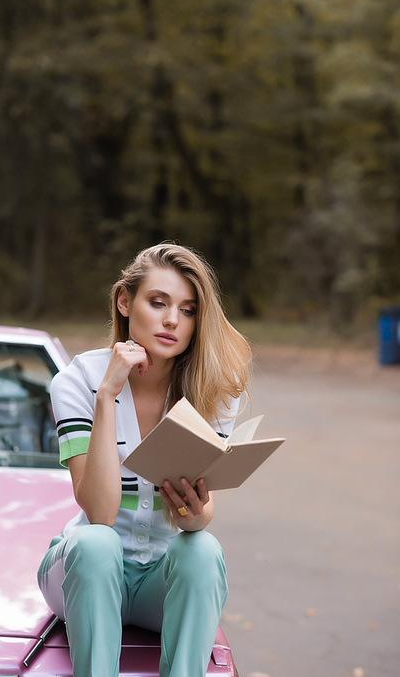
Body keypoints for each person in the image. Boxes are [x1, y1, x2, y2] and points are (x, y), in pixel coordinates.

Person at [37, 242, 252, 677]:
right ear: (124, 301)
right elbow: (98, 513)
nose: (173, 319)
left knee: (202, 549)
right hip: (85, 574)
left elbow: (200, 520)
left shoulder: (213, 391)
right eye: (158, 303)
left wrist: (192, 512)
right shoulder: (77, 380)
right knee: (97, 543)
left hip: (161, 580)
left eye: (188, 310)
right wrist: (106, 396)